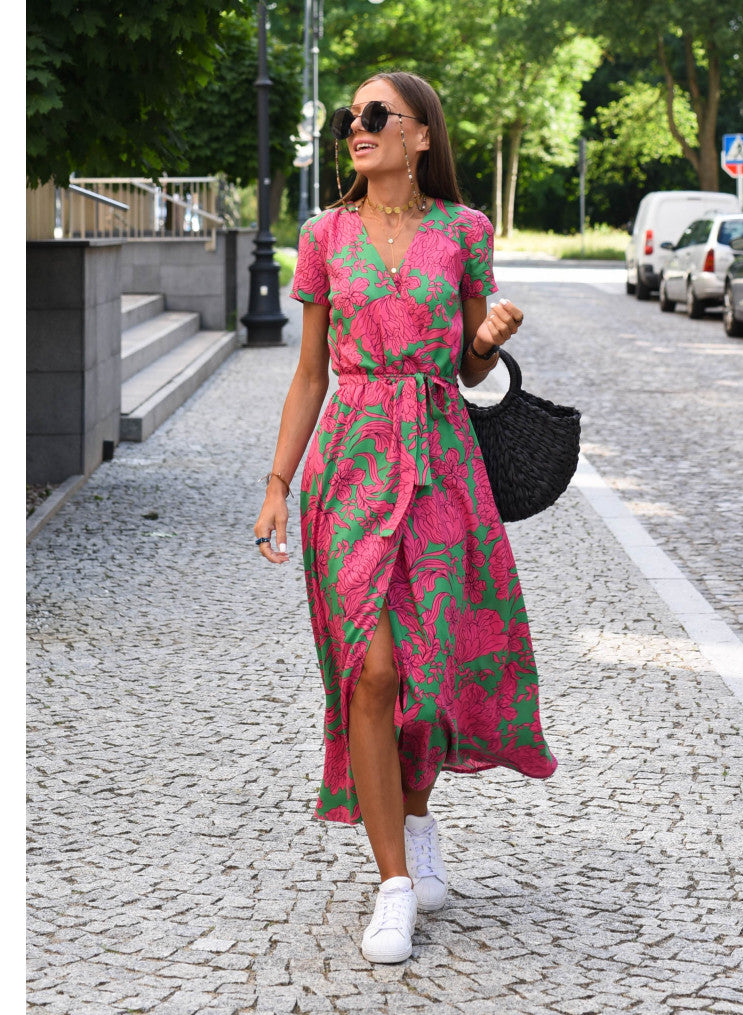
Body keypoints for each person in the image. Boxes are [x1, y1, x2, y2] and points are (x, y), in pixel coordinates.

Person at [254, 70, 557, 965]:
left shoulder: (465, 231)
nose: (360, 124)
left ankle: (416, 819)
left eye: (377, 113)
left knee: (426, 667)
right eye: (351, 115)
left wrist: (487, 340)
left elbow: (465, 368)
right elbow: (311, 370)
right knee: (372, 670)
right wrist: (278, 480)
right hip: (349, 464)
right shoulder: (323, 237)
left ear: (422, 134)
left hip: (437, 465)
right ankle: (393, 883)